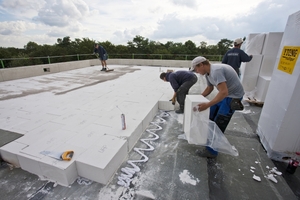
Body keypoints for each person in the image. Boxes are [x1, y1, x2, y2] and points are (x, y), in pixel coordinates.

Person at [190, 56, 244, 158]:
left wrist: (207, 105)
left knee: (219, 123)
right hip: (225, 95)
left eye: (196, 69)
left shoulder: (216, 71)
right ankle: (209, 140)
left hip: (233, 97)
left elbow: (224, 92)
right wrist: (197, 99)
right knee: (210, 115)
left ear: (201, 65)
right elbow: (209, 88)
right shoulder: (208, 74)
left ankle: (212, 152)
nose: (196, 72)